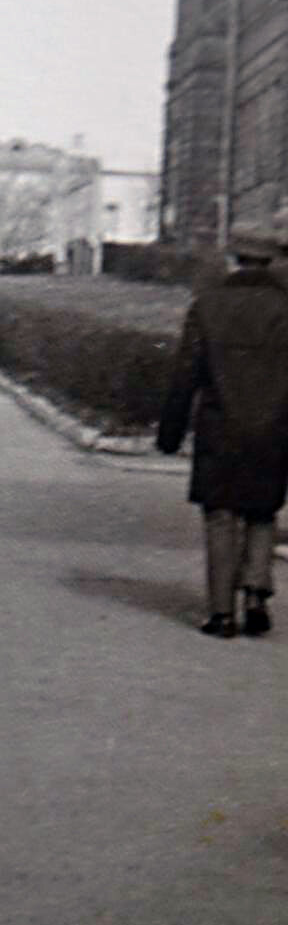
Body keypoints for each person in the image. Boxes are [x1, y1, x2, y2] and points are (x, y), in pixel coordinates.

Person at [157, 218, 288, 639]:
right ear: (271, 260)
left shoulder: (208, 305)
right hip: (275, 427)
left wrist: (170, 431)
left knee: (220, 514)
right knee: (262, 510)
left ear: (233, 256)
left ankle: (221, 614)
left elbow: (186, 374)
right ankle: (256, 592)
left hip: (220, 426)